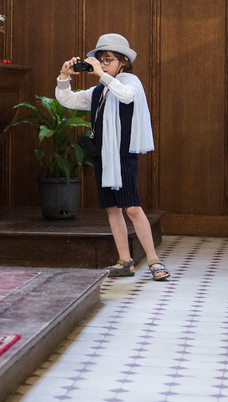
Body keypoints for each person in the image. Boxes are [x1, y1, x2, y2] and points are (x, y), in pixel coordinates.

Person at [55, 33, 171, 281]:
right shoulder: (100, 90)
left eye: (108, 59)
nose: (103, 63)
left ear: (123, 62)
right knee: (111, 209)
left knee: (132, 207)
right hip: (103, 156)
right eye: (100, 59)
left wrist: (101, 74)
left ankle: (153, 260)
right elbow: (69, 99)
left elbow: (126, 96)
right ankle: (124, 261)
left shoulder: (130, 82)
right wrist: (64, 76)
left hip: (123, 154)